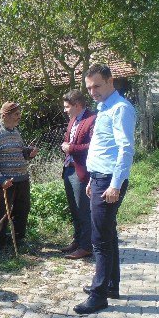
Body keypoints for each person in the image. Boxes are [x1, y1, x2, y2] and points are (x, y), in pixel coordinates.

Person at [73, 64, 136, 314]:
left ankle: (99, 295)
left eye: (97, 85)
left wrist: (114, 184)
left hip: (109, 181)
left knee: (99, 239)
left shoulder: (121, 109)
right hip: (99, 179)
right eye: (89, 87)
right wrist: (92, 179)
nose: (93, 91)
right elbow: (103, 148)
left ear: (111, 81)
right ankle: (110, 285)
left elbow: (125, 149)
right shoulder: (104, 107)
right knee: (108, 234)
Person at [0, 102, 39, 255]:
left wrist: (29, 153)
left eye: (19, 114)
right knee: (2, 214)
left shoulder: (15, 131)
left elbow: (20, 152)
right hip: (5, 182)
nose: (19, 117)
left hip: (22, 179)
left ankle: (18, 240)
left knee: (22, 210)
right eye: (16, 114)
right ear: (5, 115)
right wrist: (0, 179)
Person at [60, 89, 97, 260]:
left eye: (68, 107)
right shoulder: (73, 120)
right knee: (74, 209)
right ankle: (77, 240)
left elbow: (94, 146)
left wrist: (72, 148)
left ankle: (86, 246)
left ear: (78, 105)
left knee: (83, 209)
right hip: (69, 169)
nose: (65, 110)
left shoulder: (92, 119)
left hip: (81, 171)